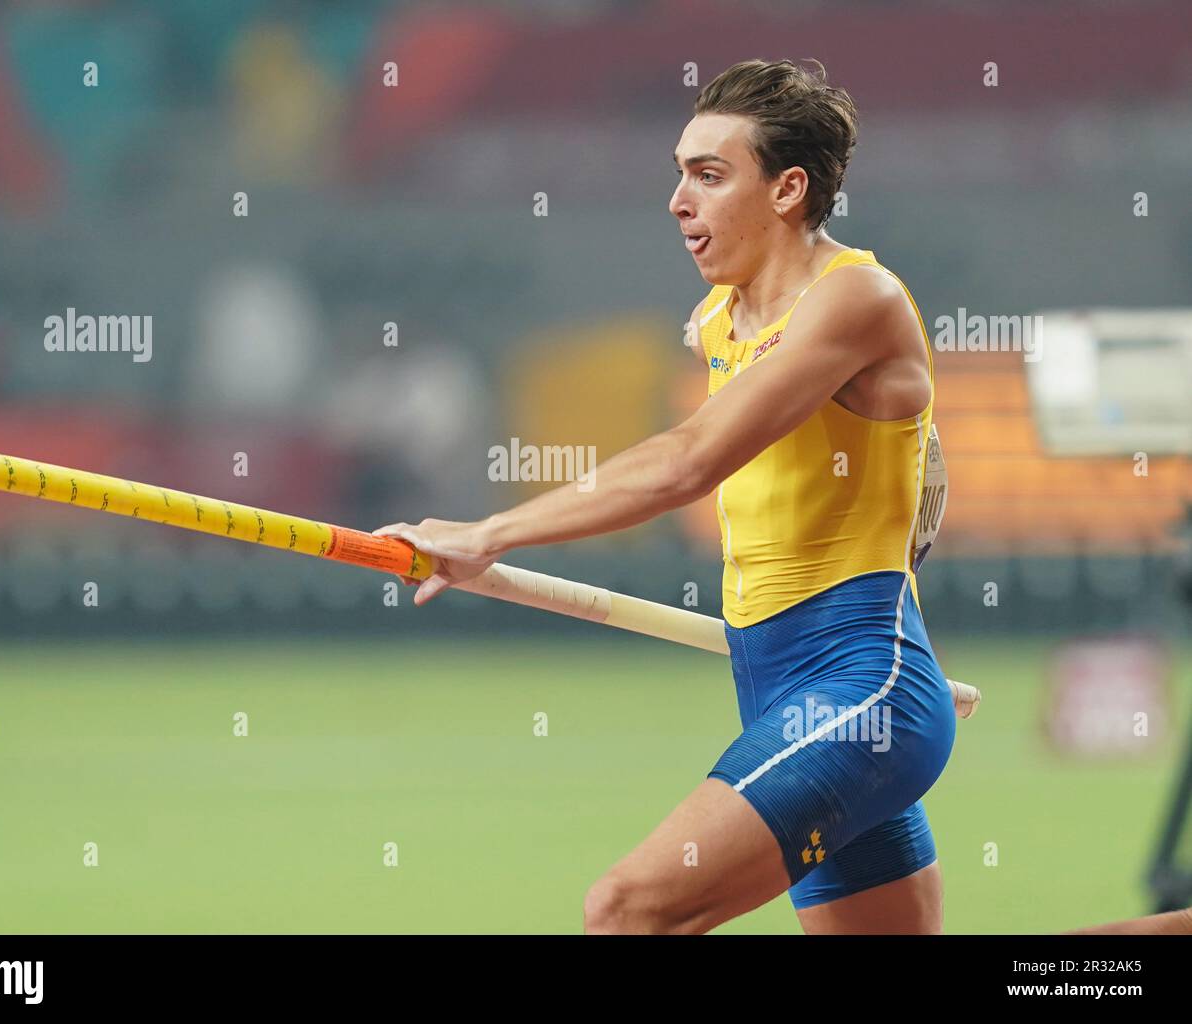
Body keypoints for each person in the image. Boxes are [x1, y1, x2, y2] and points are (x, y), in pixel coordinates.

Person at [375, 58, 957, 934]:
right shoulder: (720, 317)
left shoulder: (856, 299)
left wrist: (488, 532)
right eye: (680, 173)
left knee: (624, 911)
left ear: (788, 189)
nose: (679, 201)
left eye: (709, 176)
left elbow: (689, 462)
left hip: (863, 693)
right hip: (776, 690)